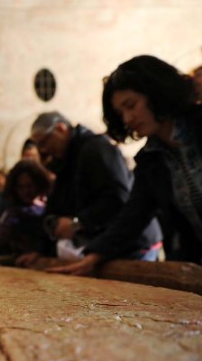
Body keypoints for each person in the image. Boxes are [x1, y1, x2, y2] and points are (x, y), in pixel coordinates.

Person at [50, 55, 202, 276]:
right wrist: (94, 256)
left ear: (157, 92)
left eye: (131, 106)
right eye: (121, 113)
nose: (127, 119)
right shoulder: (151, 160)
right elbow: (133, 216)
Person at [16, 111, 162, 268]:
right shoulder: (68, 158)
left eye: (44, 142)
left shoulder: (95, 148)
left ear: (60, 129)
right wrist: (40, 250)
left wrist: (77, 223)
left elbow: (117, 199)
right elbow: (57, 204)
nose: (43, 150)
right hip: (108, 246)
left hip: (132, 244)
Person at [0, 160, 50, 257]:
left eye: (29, 186)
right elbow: (0, 237)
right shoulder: (15, 213)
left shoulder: (49, 205)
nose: (26, 191)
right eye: (20, 187)